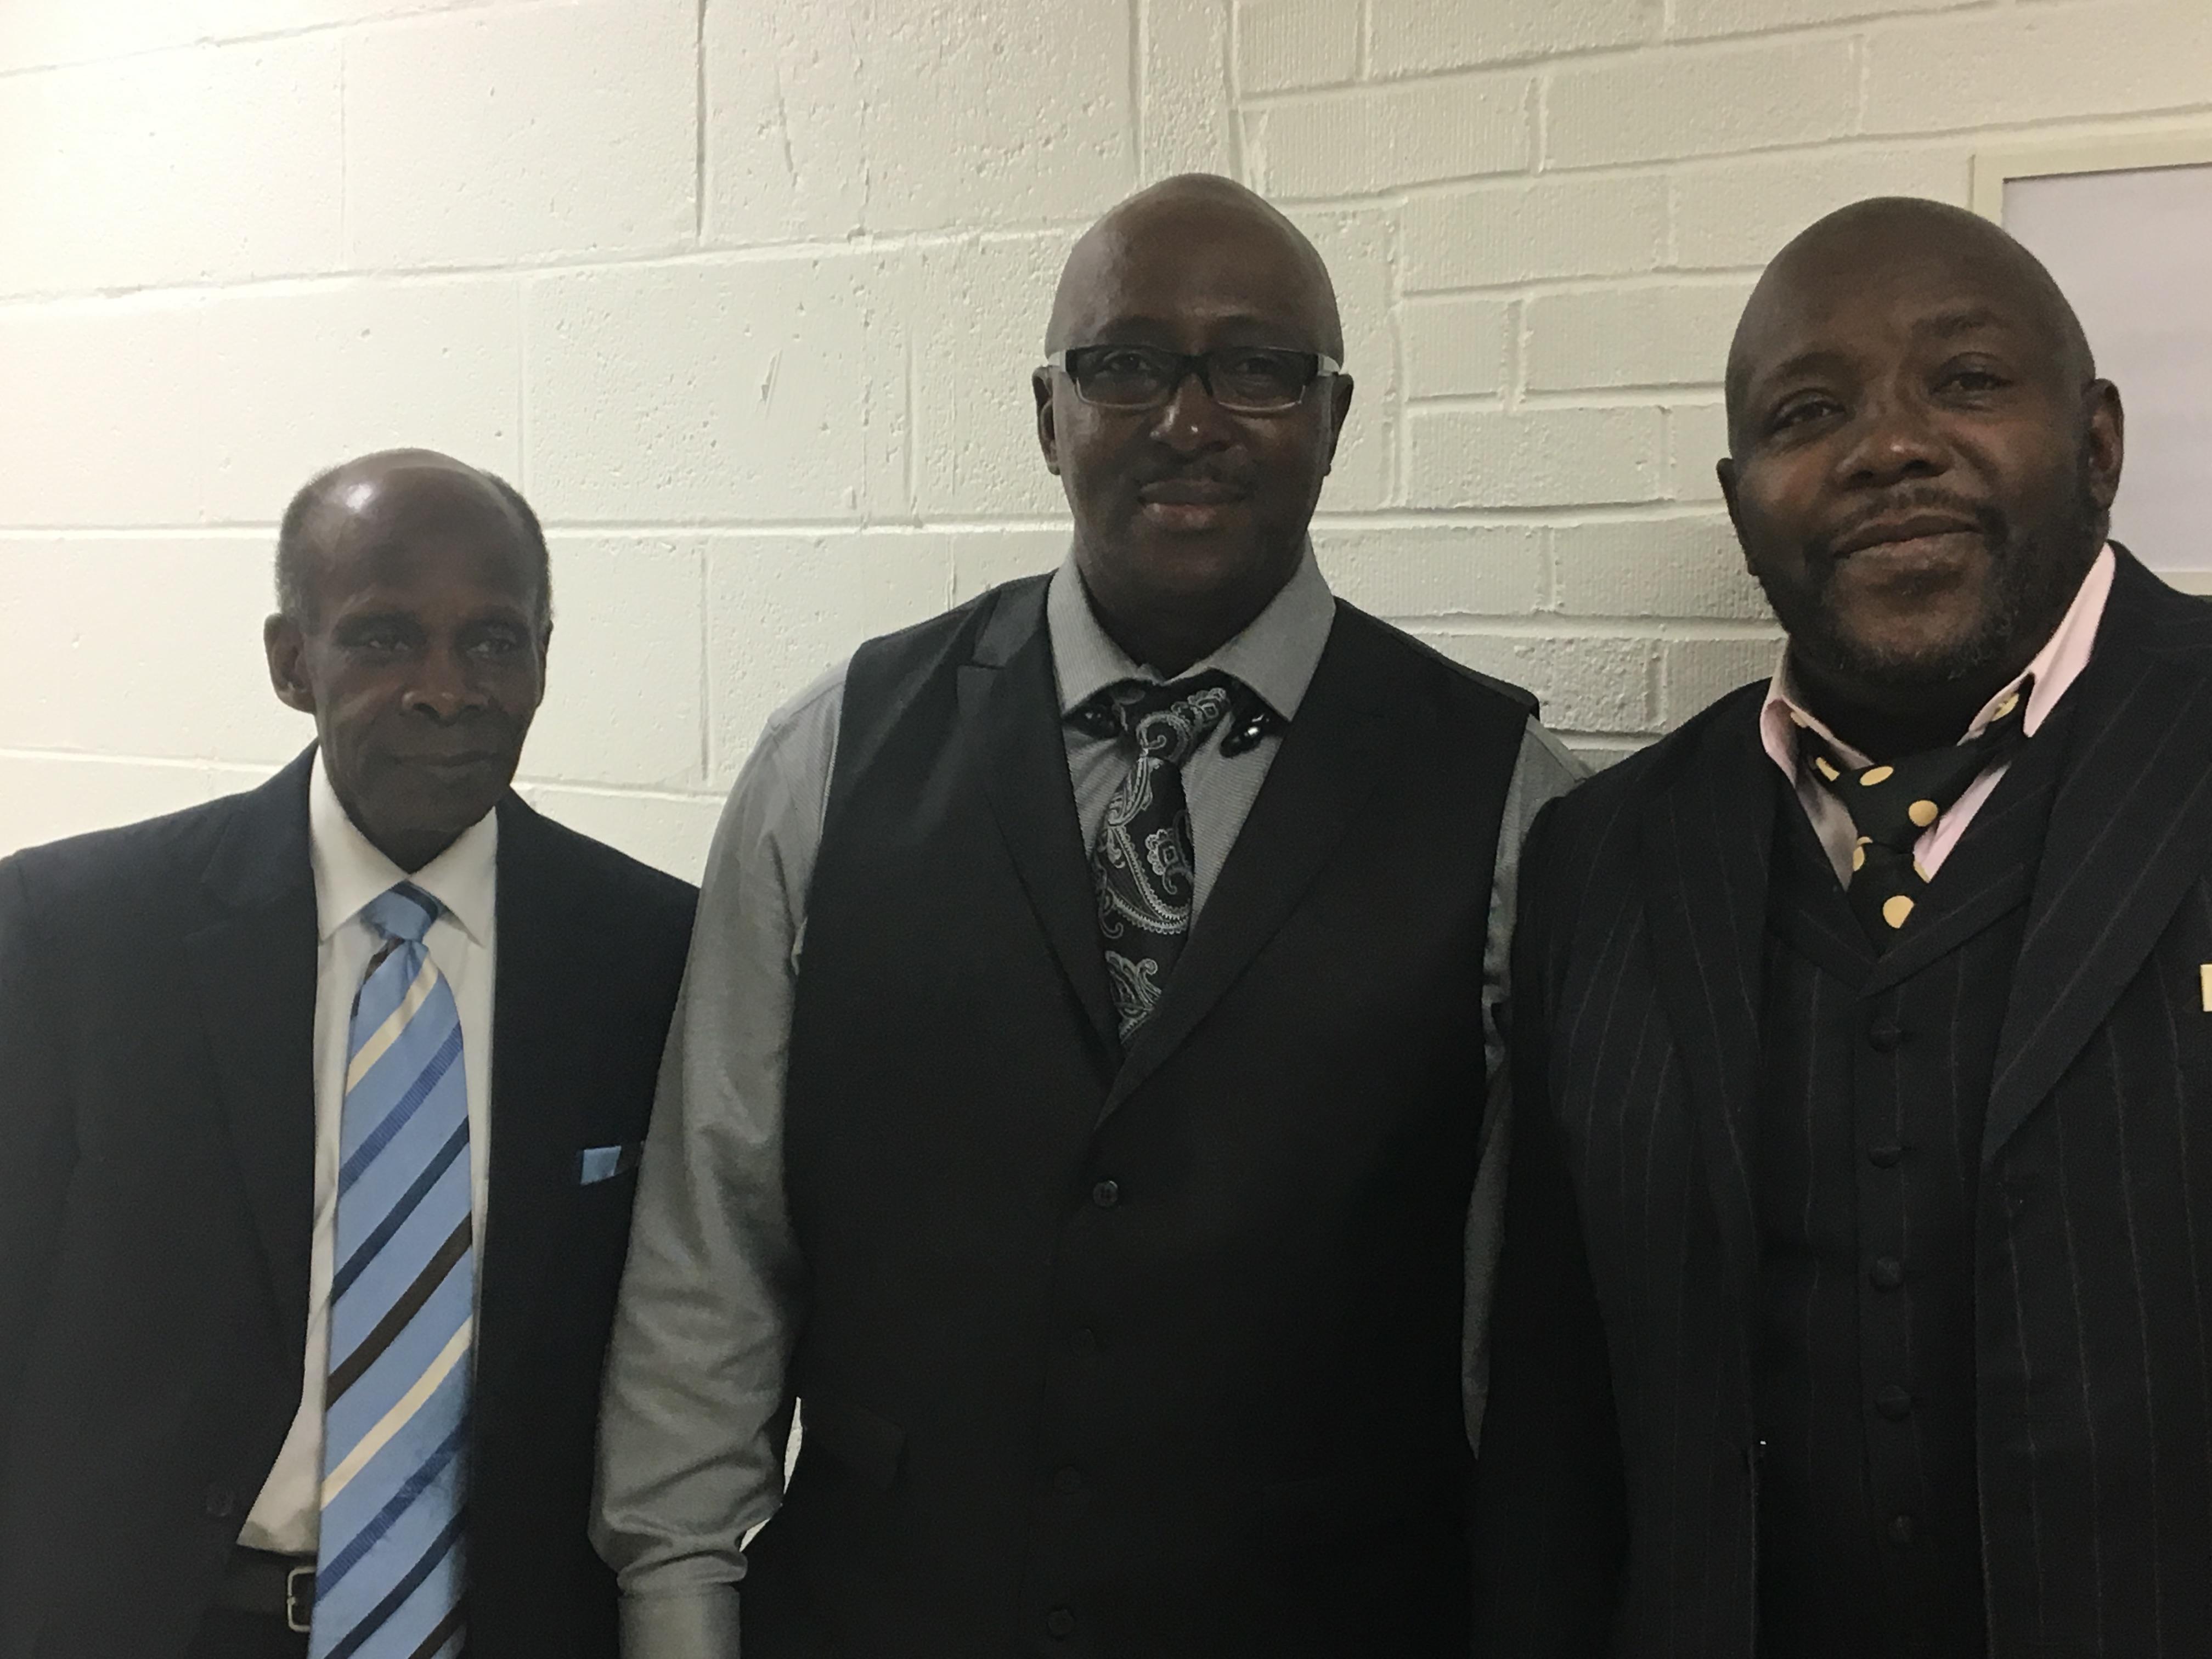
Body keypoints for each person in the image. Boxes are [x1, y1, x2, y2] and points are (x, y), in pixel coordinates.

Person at [595, 172, 1583, 1658]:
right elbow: (711, 1233)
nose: (1188, 420)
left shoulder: (1508, 801)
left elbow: (1524, 1331)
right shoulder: (834, 756)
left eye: (1258, 369)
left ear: (1333, 418)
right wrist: (679, 1605)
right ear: (1049, 414)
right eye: (1126, 365)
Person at [1474, 195, 2212, 1657]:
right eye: (1810, 413)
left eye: (1969, 380)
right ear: (1742, 498)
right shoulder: (1602, 859)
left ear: (2100, 444)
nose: (1888, 448)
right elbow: (1558, 1417)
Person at [0, 450, 696, 1659]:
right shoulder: (74, 937)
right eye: (384, 639)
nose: (445, 690)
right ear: (291, 662)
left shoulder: (653, 956)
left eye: (492, 641)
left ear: (542, 660)